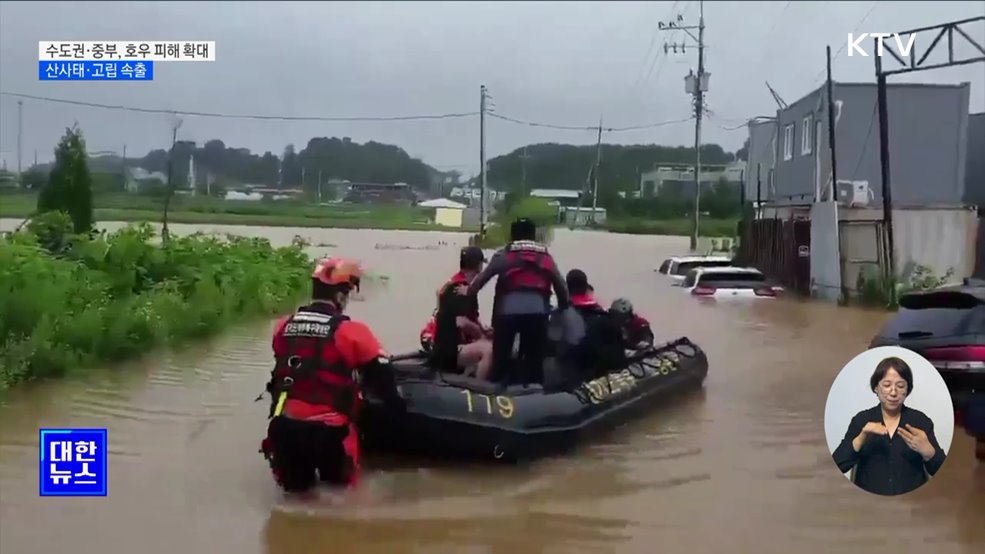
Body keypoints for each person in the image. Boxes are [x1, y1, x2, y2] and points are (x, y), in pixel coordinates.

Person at [259, 257, 401, 494]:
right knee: (340, 499)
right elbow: (383, 383)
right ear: (340, 296)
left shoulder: (282, 327)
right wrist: (396, 419)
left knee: (294, 498)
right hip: (330, 435)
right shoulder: (352, 332)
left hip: (285, 429)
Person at [467, 218, 569, 384]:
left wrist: (468, 292)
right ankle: (534, 388)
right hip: (538, 314)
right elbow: (561, 288)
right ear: (534, 235)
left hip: (506, 315)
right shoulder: (546, 257)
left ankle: (496, 387)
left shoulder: (503, 254)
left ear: (512, 236)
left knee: (500, 358)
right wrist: (563, 306)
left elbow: (480, 282)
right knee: (535, 360)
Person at [831, 356, 947, 496]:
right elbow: (837, 466)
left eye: (900, 386)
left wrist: (929, 452)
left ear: (907, 389)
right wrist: (860, 439)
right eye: (886, 385)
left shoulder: (921, 422)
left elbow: (944, 474)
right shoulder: (861, 420)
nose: (893, 392)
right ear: (876, 387)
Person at [422, 246, 494, 379]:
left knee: (487, 340)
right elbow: (462, 322)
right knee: (489, 350)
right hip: (449, 351)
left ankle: (468, 375)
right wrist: (481, 335)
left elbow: (468, 318)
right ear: (479, 266)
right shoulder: (461, 289)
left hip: (445, 345)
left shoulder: (453, 283)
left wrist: (483, 330)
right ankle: (477, 386)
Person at [558, 269, 626, 378]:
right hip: (608, 371)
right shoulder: (602, 313)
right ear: (586, 287)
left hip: (579, 373)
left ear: (567, 288)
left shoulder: (562, 313)